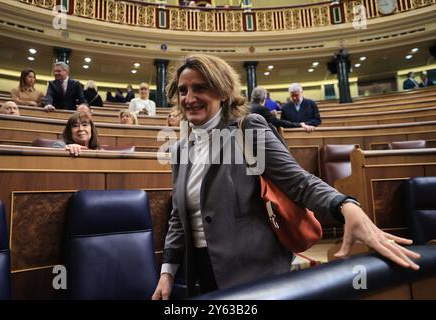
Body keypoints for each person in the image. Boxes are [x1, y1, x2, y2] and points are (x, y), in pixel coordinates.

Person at [151, 54, 420, 300]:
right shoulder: (179, 150)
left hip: (256, 275)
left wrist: (344, 205)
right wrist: (167, 273)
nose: (189, 98)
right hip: (202, 272)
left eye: (199, 88)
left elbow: (300, 182)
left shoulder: (247, 130)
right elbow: (178, 216)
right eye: (183, 90)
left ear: (222, 92)